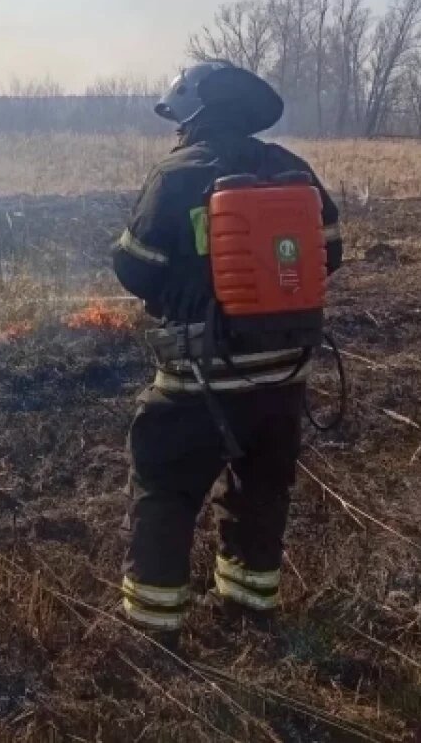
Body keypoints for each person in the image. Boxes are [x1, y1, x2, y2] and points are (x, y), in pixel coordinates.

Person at [112, 61, 343, 641]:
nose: (176, 130)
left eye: (179, 118)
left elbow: (134, 268)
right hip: (283, 377)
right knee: (261, 491)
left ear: (196, 113)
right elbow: (329, 253)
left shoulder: (176, 173)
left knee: (165, 490)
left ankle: (154, 631)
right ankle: (250, 610)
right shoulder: (295, 170)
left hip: (198, 380)